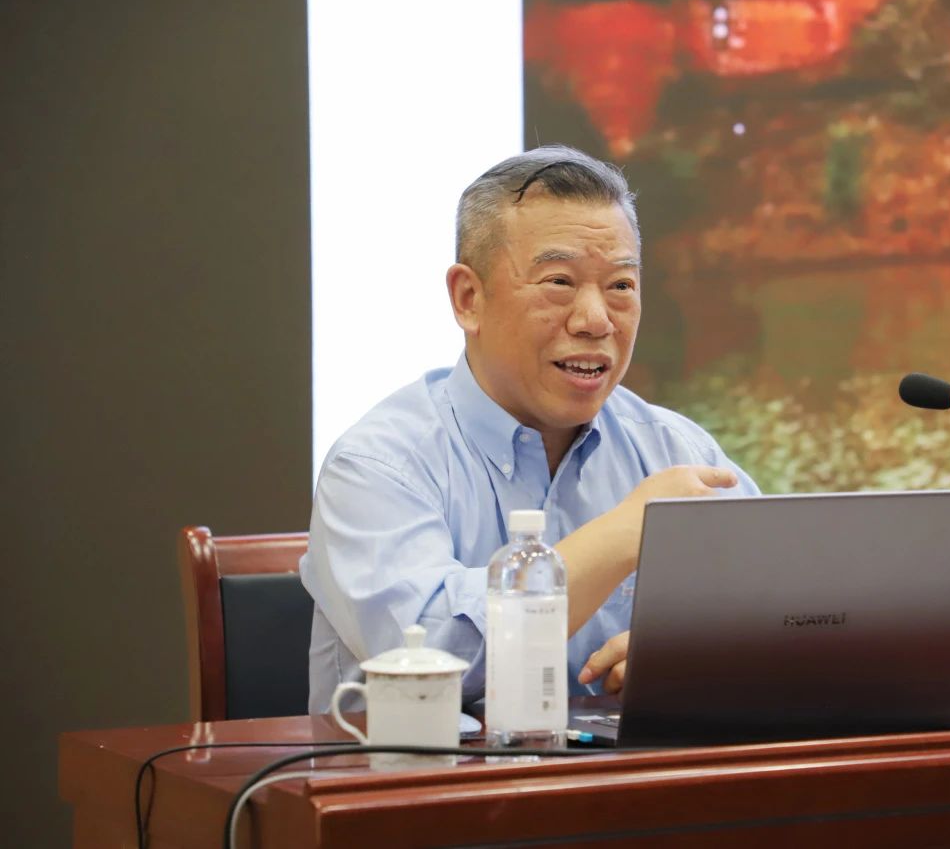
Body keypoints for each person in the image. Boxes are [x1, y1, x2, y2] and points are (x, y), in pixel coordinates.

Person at [300, 146, 760, 713]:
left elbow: (796, 614)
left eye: (620, 286)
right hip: (428, 768)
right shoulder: (378, 465)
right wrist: (625, 533)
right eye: (559, 282)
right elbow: (430, 662)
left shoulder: (675, 449)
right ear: (469, 299)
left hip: (632, 766)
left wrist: (703, 654)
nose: (595, 320)